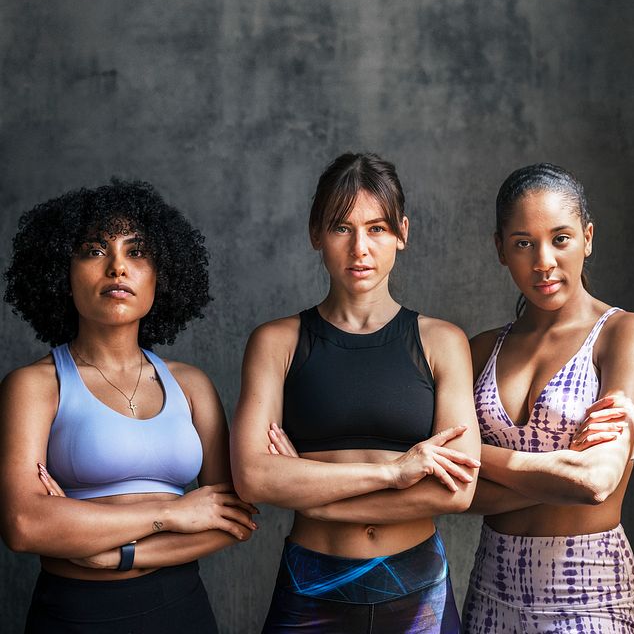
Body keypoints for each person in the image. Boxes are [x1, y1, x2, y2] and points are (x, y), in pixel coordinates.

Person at [231, 152, 481, 633]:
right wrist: (396, 472)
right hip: (313, 587)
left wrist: (310, 493)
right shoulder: (276, 343)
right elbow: (253, 477)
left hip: (418, 589)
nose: (359, 248)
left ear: (402, 233)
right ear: (315, 234)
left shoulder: (441, 342)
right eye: (341, 228)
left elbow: (457, 489)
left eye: (378, 228)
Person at [0, 179, 257, 634]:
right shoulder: (34, 386)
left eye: (137, 251)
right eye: (94, 250)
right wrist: (171, 514)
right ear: (62, 270)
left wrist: (117, 554)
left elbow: (231, 519)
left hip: (183, 609)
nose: (118, 267)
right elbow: (23, 523)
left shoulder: (191, 384)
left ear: (163, 272)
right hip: (75, 614)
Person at [462, 163, 634, 634]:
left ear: (588, 238)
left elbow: (595, 481)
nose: (544, 261)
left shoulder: (625, 334)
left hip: (589, 589)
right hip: (490, 589)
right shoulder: (481, 349)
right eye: (523, 243)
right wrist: (558, 470)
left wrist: (467, 456)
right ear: (500, 249)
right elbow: (452, 495)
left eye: (561, 238)